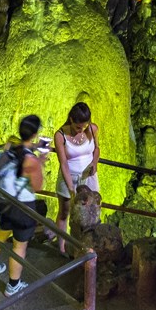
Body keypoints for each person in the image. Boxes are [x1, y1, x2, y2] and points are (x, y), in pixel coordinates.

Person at [0, 115, 48, 296]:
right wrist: (39, 163)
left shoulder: (11, 148)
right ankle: (13, 285)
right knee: (19, 246)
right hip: (22, 208)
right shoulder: (31, 161)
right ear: (35, 134)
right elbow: (37, 186)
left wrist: (34, 151)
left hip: (4, 202)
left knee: (1, 233)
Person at [54, 102, 101, 241]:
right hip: (70, 177)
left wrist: (94, 162)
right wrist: (71, 189)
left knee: (91, 210)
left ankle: (89, 245)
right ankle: (61, 247)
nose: (81, 130)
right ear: (71, 119)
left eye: (85, 126)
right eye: (78, 127)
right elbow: (63, 163)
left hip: (89, 177)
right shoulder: (60, 135)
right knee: (65, 212)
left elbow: (97, 149)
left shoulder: (92, 129)